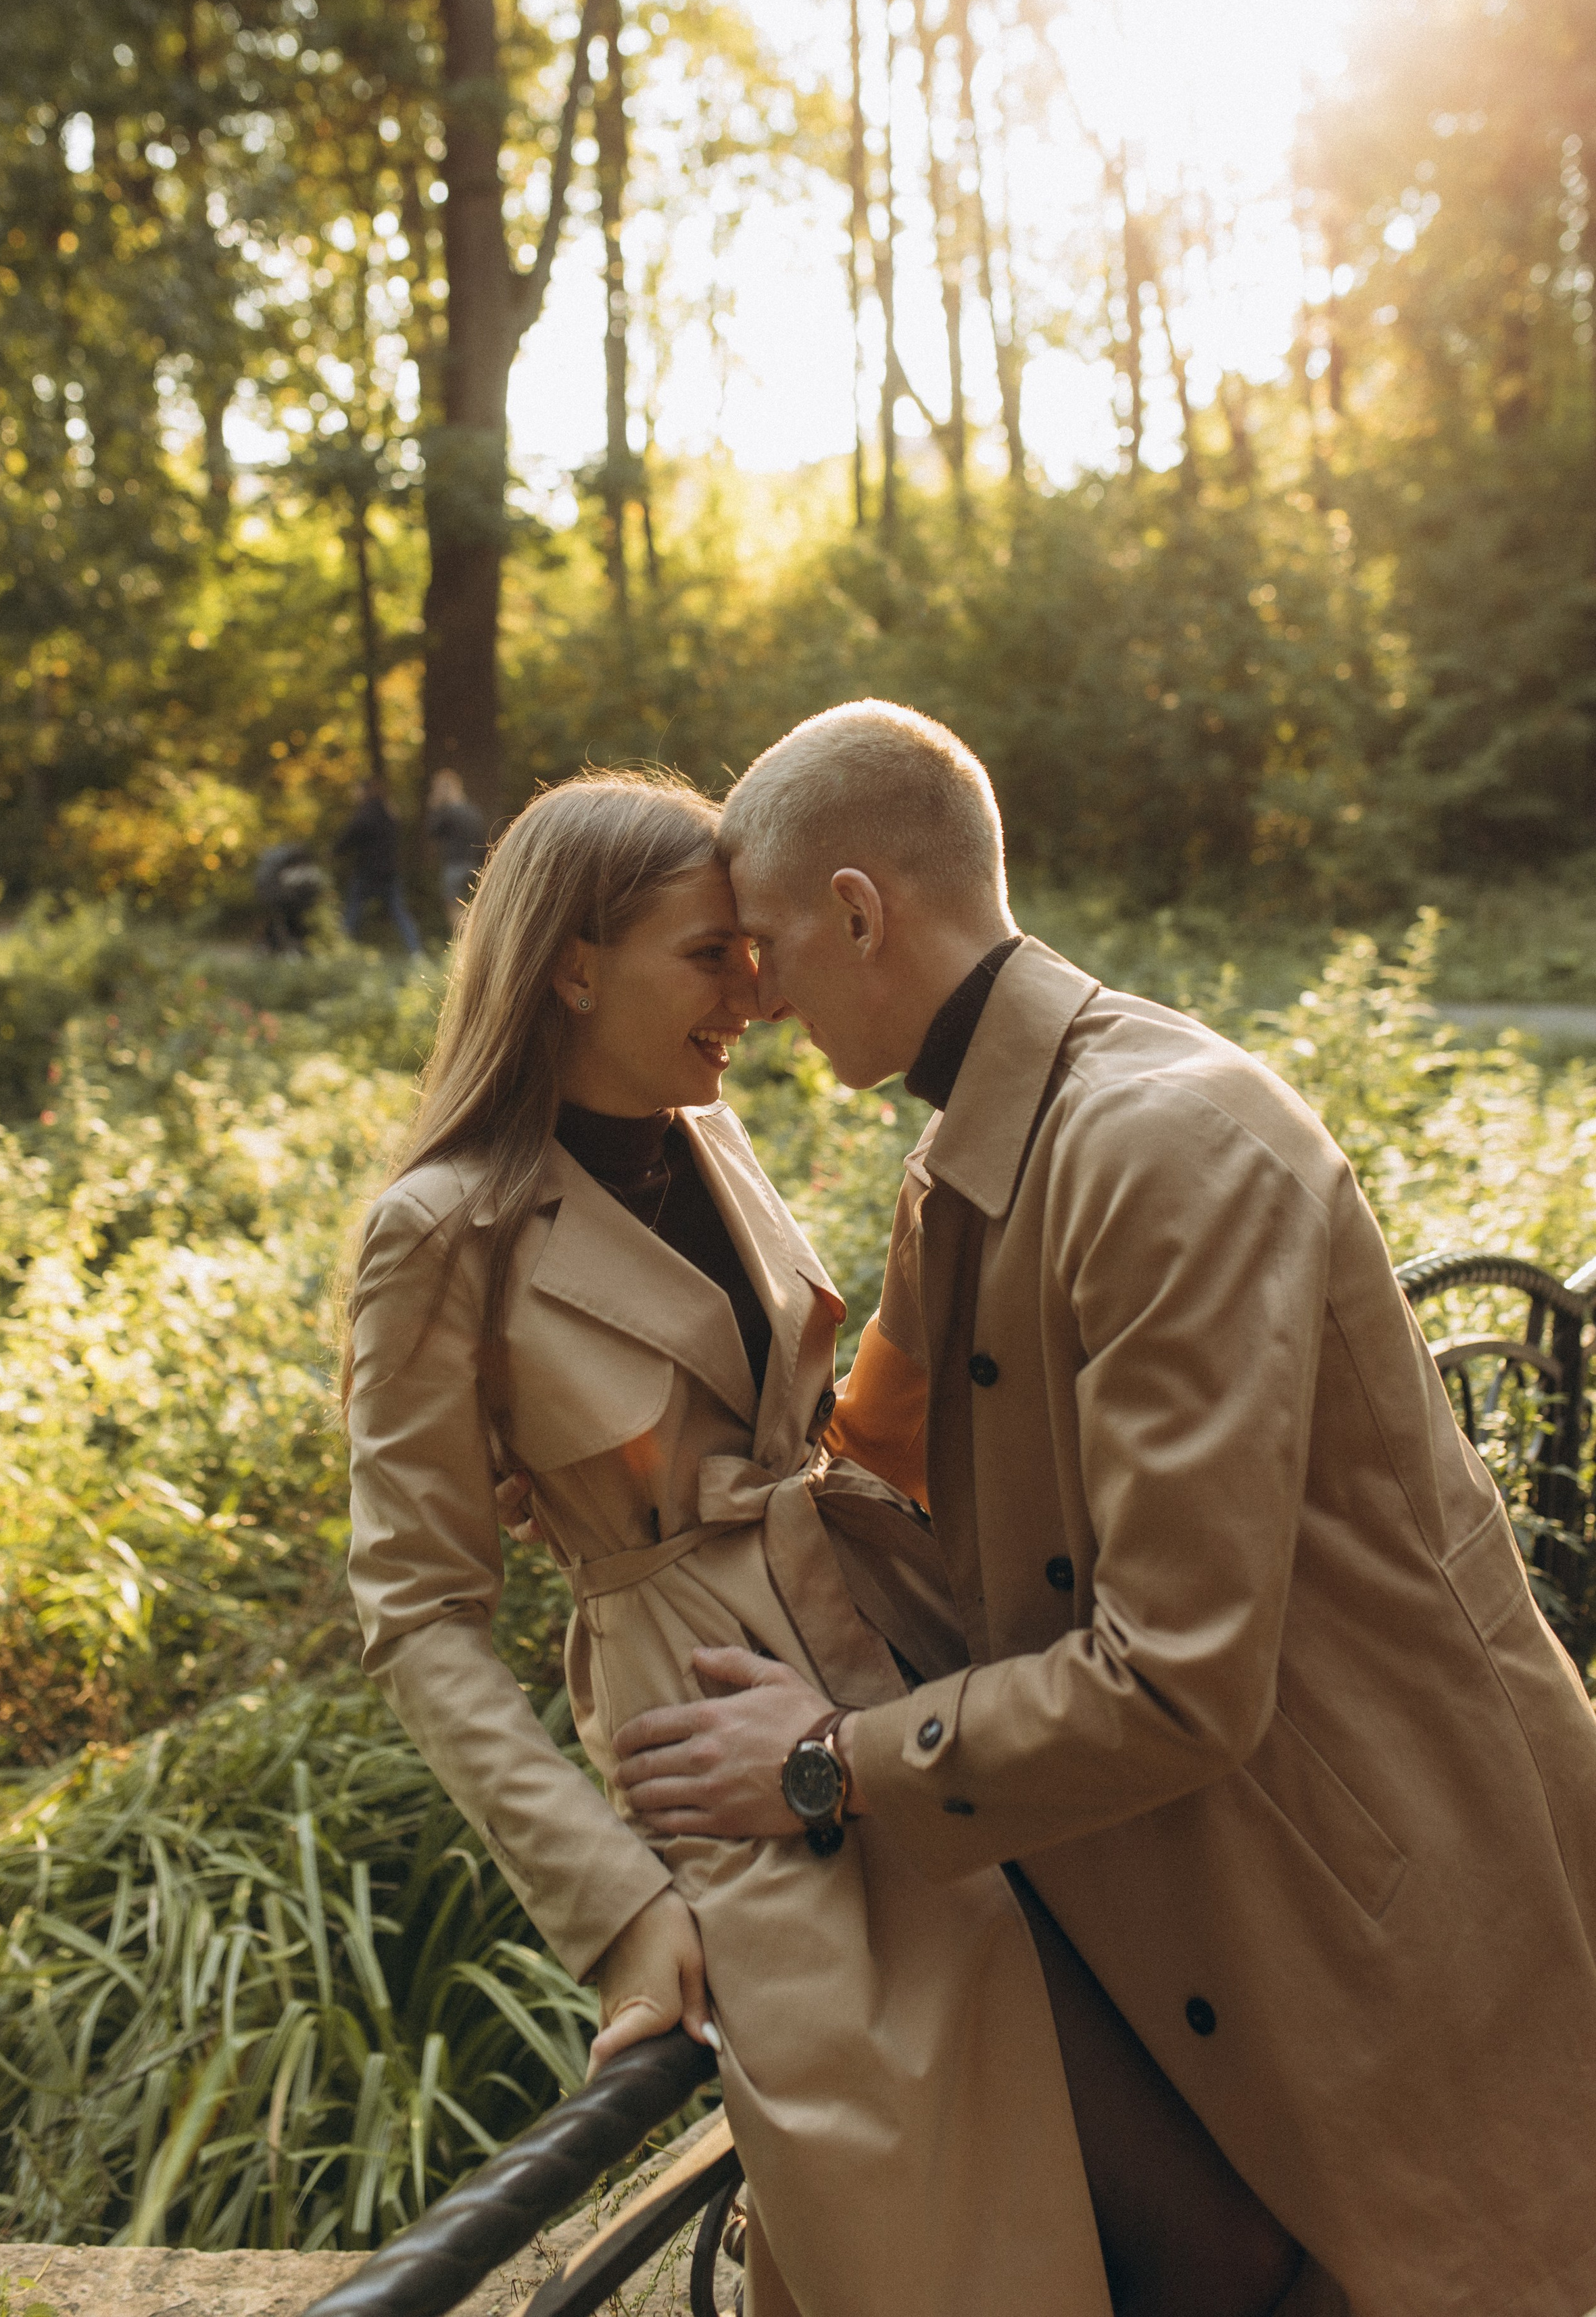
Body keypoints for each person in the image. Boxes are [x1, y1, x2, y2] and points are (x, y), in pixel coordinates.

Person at [610, 700, 1596, 2317]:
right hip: (1235, 1889)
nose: (754, 993)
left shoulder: (1164, 1150)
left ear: (859, 912)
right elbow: (862, 1478)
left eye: (767, 943)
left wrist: (818, 1762)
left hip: (1391, 1916)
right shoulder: (975, 1154)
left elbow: (1176, 1676)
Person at [344, 773, 1121, 2317]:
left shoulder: (704, 1128)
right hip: (713, 1761)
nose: (757, 992)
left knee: (1075, 2155)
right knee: (903, 2235)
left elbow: (818, 1413)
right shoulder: (439, 1229)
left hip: (887, 1679)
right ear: (572, 963)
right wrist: (617, 1907)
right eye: (711, 953)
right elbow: (417, 1611)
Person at [335, 776, 422, 956]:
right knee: (399, 912)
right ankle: (417, 951)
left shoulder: (364, 814)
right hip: (390, 871)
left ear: (363, 791)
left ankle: (340, 949)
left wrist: (334, 851)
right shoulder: (389, 812)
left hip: (368, 872)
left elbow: (347, 839)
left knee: (353, 910)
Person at [425, 767, 489, 938]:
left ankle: (464, 941)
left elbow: (431, 831)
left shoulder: (446, 813)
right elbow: (483, 839)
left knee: (452, 905)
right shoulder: (473, 811)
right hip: (475, 865)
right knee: (473, 906)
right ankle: (477, 938)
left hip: (454, 866)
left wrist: (435, 807)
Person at [252, 839, 326, 955]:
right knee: (286, 920)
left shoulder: (280, 858)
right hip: (278, 897)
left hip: (272, 896)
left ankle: (273, 946)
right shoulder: (288, 863)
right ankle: (284, 946)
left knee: (284, 920)